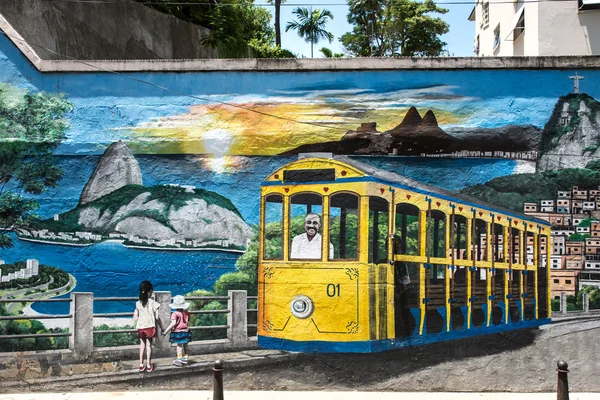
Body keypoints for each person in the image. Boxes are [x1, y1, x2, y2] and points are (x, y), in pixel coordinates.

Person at [133, 280, 163, 372]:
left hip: (141, 327)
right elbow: (157, 317)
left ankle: (141, 364)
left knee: (142, 345)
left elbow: (135, 317)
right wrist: (161, 327)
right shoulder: (153, 303)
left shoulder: (138, 303)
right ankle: (149, 365)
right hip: (149, 327)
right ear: (150, 291)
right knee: (148, 346)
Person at [162, 295, 192, 367]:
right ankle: (186, 358)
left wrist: (165, 331)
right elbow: (188, 320)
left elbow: (173, 323)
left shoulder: (175, 314)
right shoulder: (186, 313)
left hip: (178, 332)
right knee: (185, 344)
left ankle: (179, 359)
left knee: (179, 346)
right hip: (186, 331)